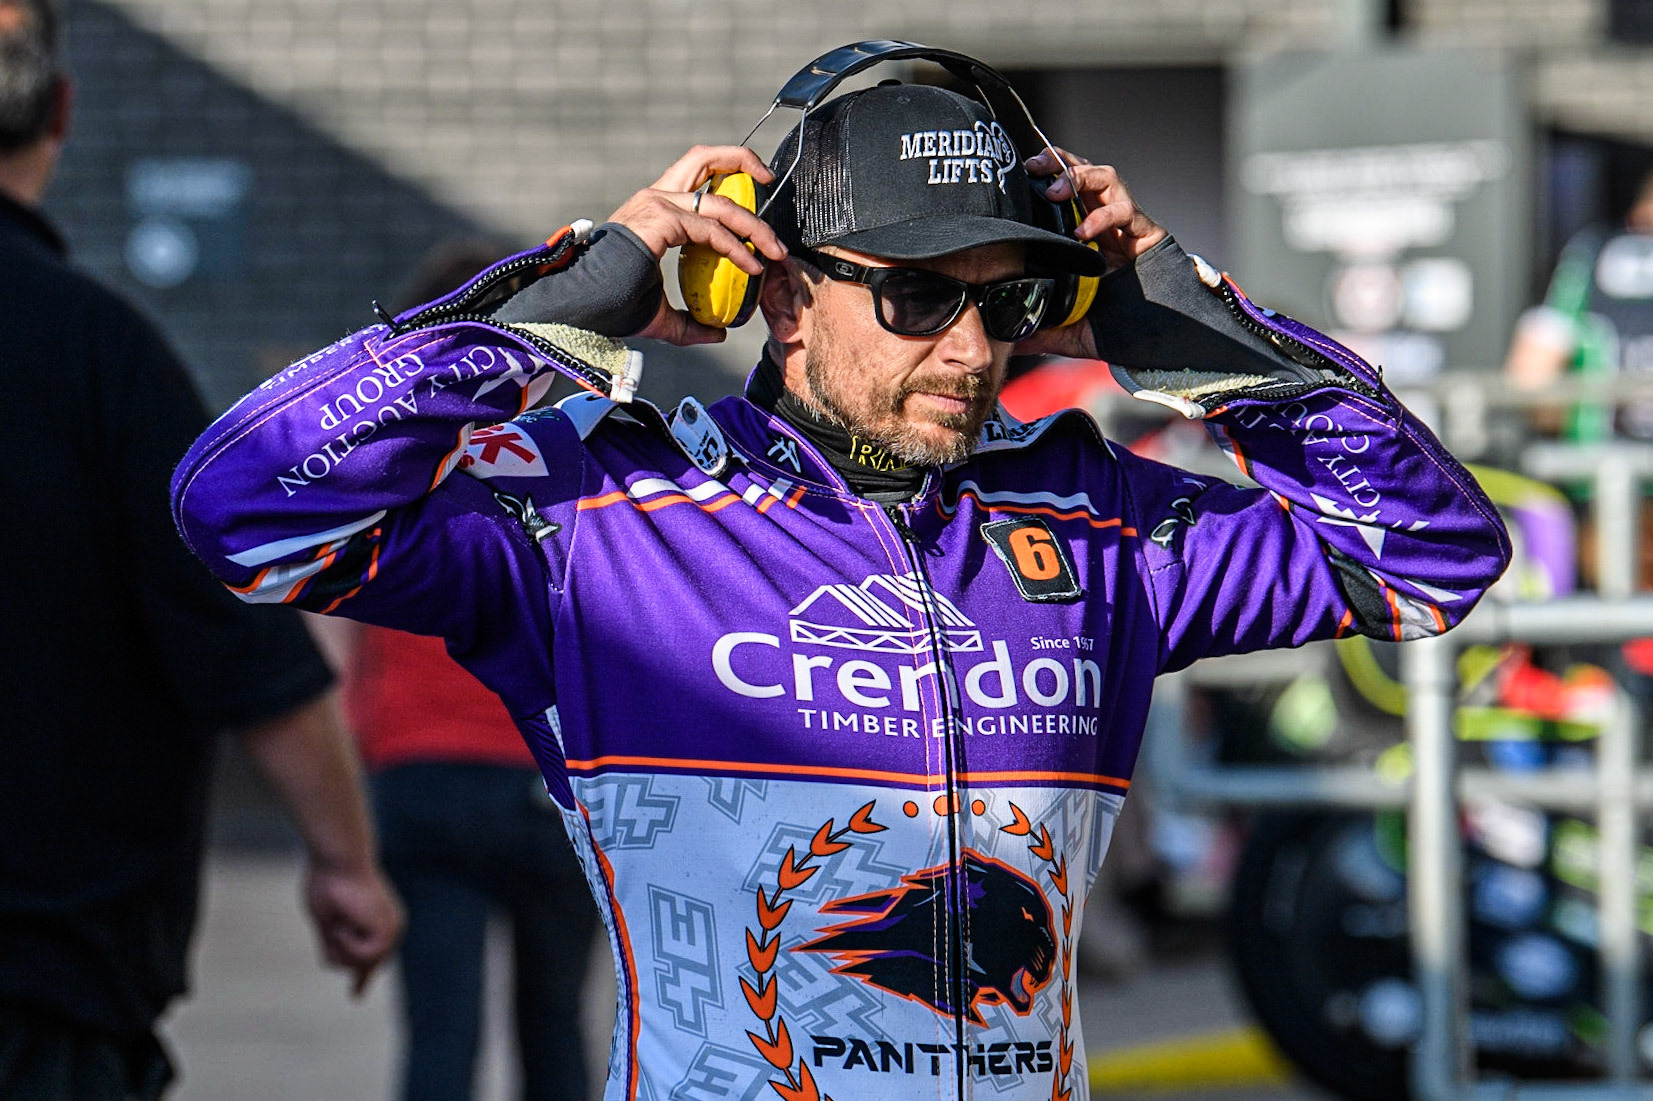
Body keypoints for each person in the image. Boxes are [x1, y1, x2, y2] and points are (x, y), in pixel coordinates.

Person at [171, 47, 1510, 1101]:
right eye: (921, 296)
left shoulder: (1102, 526)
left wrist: (1188, 320)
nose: (974, 349)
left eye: (1013, 301)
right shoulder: (603, 514)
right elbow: (240, 508)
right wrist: (564, 306)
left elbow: (1433, 558)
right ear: (781, 288)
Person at [0, 3, 401, 1097]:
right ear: (65, 115)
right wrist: (347, 866)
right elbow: (248, 658)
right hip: (46, 992)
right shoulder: (104, 355)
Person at [335, 243, 599, 1101]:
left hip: (421, 776)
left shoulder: (388, 460)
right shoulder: (564, 457)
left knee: (439, 1034)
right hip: (543, 778)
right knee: (553, 1025)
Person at [1506, 168, 1653, 440]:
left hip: (1604, 456)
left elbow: (1533, 372)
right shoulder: (1595, 249)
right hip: (1610, 456)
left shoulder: (1594, 248)